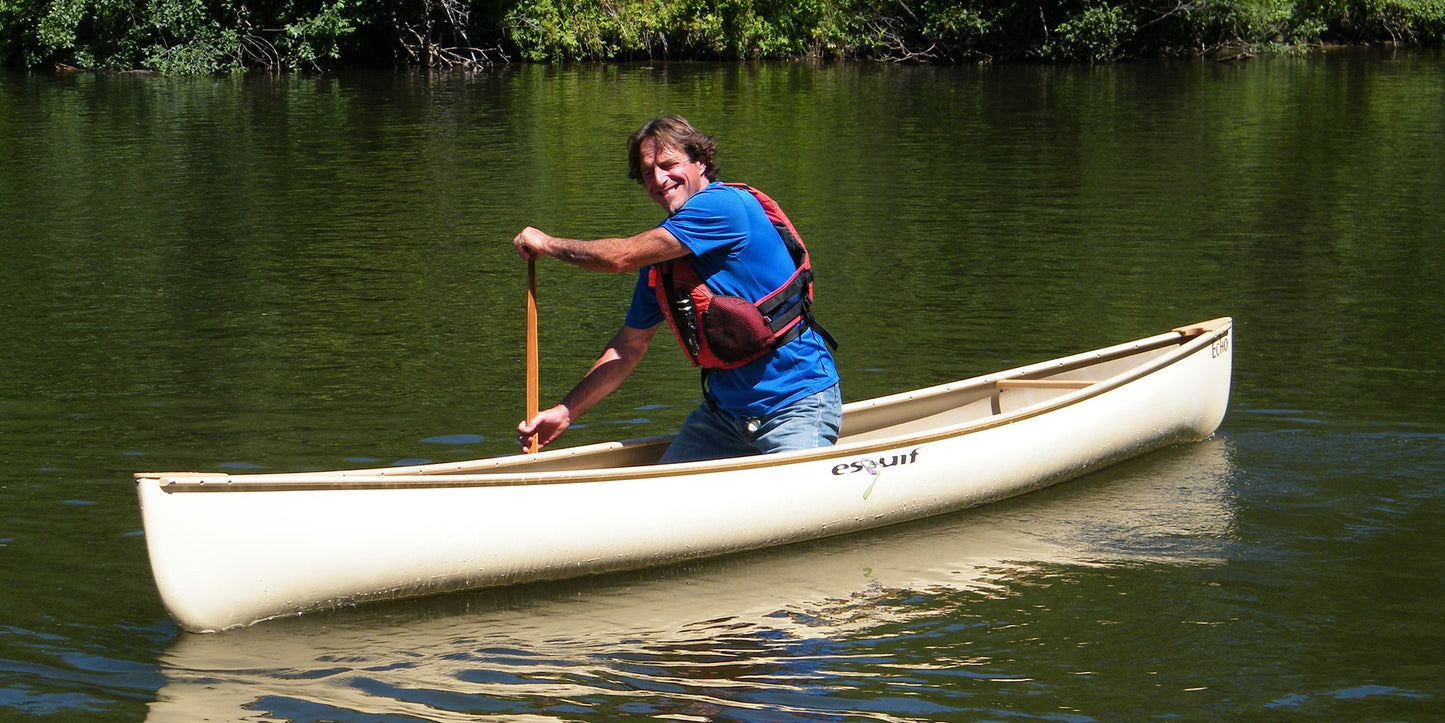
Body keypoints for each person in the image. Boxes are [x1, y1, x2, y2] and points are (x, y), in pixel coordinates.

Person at [512, 115, 841, 463]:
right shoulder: (662, 259)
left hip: (796, 403)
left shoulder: (723, 206)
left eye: (669, 164)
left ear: (700, 161)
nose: (658, 179)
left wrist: (546, 243)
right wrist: (566, 411)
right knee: (653, 506)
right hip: (724, 418)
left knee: (787, 506)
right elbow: (628, 348)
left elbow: (621, 257)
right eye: (647, 172)